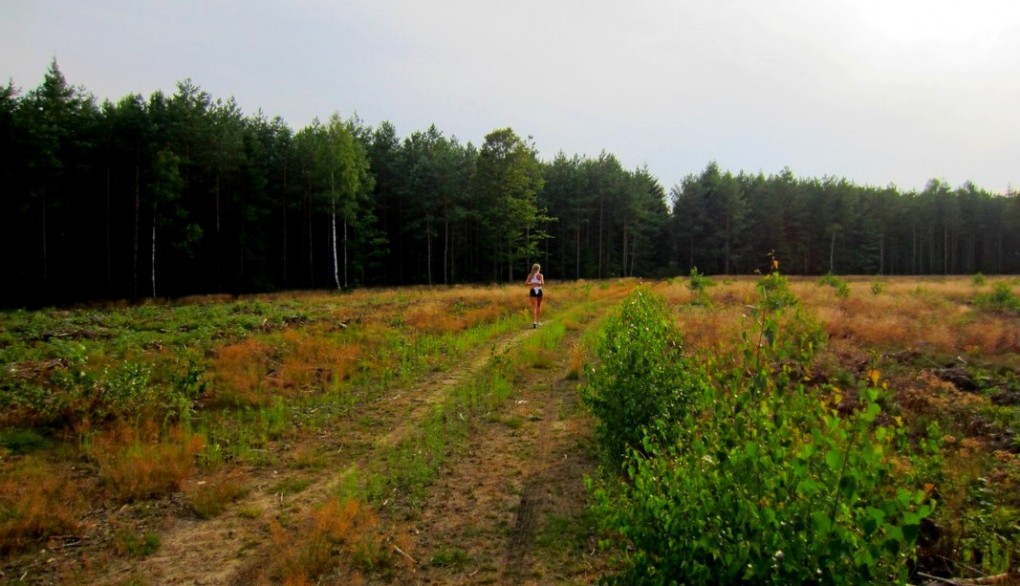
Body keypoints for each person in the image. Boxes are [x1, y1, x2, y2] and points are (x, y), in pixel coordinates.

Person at [525, 263, 544, 328]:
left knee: (533, 307)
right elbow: (542, 283)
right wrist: (537, 283)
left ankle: (534, 322)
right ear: (539, 268)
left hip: (532, 290)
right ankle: (538, 321)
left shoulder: (530, 275)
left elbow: (526, 283)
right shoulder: (540, 275)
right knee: (539, 306)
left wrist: (532, 283)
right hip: (539, 290)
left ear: (532, 268)